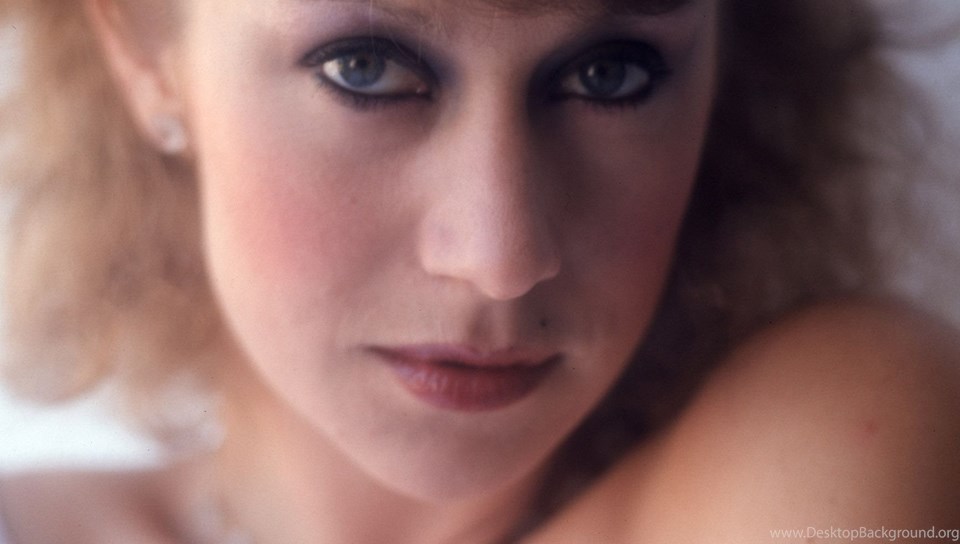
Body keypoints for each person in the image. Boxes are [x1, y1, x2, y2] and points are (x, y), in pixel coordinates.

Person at [0, 0, 958, 542]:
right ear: (146, 53)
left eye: (611, 73)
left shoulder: (849, 439)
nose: (502, 260)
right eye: (364, 69)